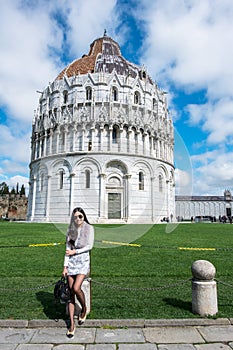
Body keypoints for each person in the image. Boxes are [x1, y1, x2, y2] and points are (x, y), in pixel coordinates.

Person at [62, 207, 94, 338]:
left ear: (84, 217)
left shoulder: (89, 229)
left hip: (83, 262)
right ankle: (71, 325)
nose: (78, 219)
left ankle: (84, 309)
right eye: (75, 217)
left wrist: (76, 251)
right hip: (72, 263)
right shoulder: (70, 230)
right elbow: (67, 249)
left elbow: (89, 246)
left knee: (76, 288)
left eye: (80, 216)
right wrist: (65, 267)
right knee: (71, 292)